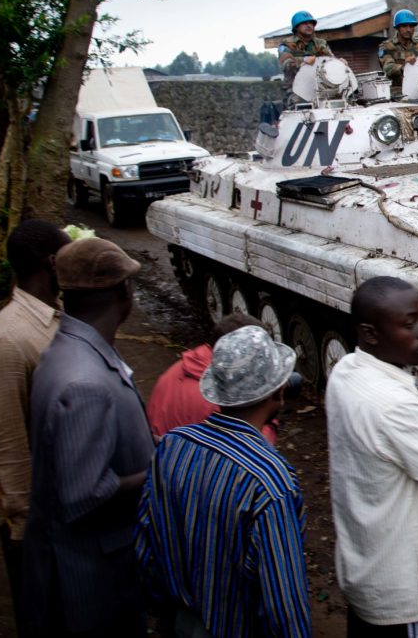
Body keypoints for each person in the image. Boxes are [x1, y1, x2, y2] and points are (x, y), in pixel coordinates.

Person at [135, 325, 310, 638]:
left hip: (179, 621)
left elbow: (146, 547)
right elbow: (284, 602)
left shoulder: (172, 445)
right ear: (277, 391)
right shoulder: (271, 482)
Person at [326, 277, 418, 636]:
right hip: (409, 596)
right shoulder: (393, 406)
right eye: (409, 324)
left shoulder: (346, 371)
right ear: (371, 333)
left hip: (370, 573)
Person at [22, 237, 155, 638]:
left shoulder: (67, 349)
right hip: (89, 579)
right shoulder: (85, 382)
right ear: (123, 292)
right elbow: (83, 496)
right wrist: (158, 470)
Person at [0, 219, 70, 636]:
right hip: (37, 530)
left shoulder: (52, 318)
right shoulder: (10, 340)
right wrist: (25, 527)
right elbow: (6, 441)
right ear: (53, 263)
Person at [146, 312, 279, 444]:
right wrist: (268, 416)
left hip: (160, 452)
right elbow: (254, 446)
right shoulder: (222, 400)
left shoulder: (182, 366)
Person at [278, 10, 335, 106]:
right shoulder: (287, 44)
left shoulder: (321, 43)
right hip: (296, 88)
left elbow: (330, 60)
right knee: (301, 110)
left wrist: (339, 62)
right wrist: (303, 61)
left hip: (322, 86)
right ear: (296, 27)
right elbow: (286, 65)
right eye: (304, 23)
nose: (309, 26)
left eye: (311, 23)